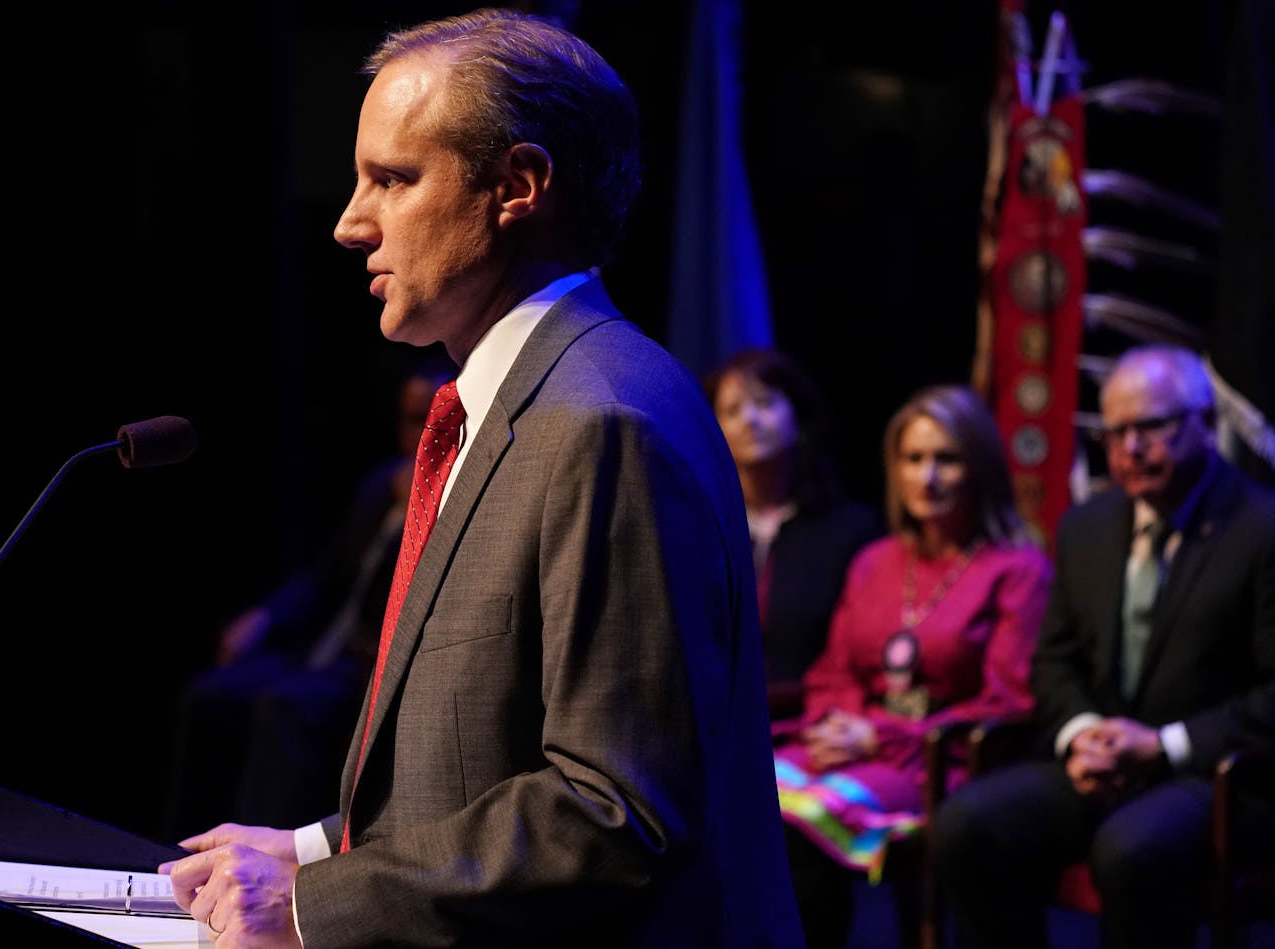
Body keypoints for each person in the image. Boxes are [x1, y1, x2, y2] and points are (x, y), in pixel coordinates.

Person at [158, 8, 806, 947]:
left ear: (518, 185)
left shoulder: (600, 420)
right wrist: (310, 851)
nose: (347, 223)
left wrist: (311, 907)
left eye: (392, 178)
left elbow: (610, 811)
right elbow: (482, 768)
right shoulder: (520, 403)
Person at [929, 343, 1275, 949]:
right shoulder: (1087, 527)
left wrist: (1162, 746)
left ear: (1206, 423)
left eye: (1151, 427)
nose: (1131, 449)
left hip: (1214, 776)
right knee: (967, 823)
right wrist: (1082, 732)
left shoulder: (1261, 528)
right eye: (1115, 433)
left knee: (1132, 849)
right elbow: (1054, 661)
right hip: (1104, 764)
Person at [771, 383, 1052, 949]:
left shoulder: (1017, 568)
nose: (928, 477)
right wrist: (844, 725)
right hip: (851, 747)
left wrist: (877, 737)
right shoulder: (876, 561)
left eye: (946, 459)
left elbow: (1007, 700)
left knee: (793, 829)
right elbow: (834, 671)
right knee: (746, 800)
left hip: (939, 762)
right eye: (914, 459)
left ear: (979, 466)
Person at [160, 355, 453, 839]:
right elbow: (323, 577)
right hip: (316, 648)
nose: (415, 434)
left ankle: (253, 856)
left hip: (367, 663)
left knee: (284, 706)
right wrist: (265, 616)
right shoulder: (382, 484)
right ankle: (178, 849)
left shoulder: (451, 494)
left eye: (426, 420)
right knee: (209, 695)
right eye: (407, 419)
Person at [703, 346, 885, 718]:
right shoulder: (698, 528)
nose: (750, 419)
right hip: (717, 724)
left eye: (765, 403)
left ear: (798, 418)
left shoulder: (851, 531)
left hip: (816, 722)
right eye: (733, 411)